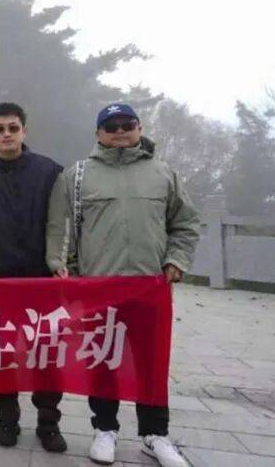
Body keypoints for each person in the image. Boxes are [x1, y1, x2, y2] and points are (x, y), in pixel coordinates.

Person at [50, 103, 199, 467]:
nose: (119, 131)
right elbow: (61, 229)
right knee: (103, 359)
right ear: (98, 133)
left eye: (126, 124)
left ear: (139, 127)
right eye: (111, 126)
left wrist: (176, 260)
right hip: (99, 286)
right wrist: (66, 271)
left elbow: (185, 222)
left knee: (151, 361)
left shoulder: (163, 173)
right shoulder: (78, 176)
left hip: (150, 285)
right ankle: (105, 429)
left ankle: (155, 435)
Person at [0, 102, 69, 453]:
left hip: (42, 280)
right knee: (0, 352)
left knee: (46, 353)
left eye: (13, 127)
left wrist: (55, 260)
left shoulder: (50, 171)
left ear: (24, 130)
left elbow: (57, 221)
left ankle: (49, 423)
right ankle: (7, 418)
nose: (7, 134)